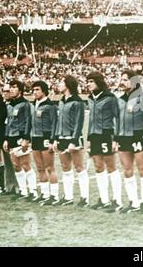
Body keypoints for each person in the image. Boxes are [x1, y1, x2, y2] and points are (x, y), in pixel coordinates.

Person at [115, 70, 143, 214]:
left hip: (137, 136)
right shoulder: (119, 99)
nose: (122, 82)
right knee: (127, 170)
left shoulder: (142, 98)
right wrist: (116, 139)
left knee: (142, 169)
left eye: (125, 79)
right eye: (122, 79)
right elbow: (117, 121)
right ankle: (134, 202)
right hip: (123, 138)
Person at [86, 71, 123, 212]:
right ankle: (104, 199)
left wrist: (116, 139)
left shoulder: (110, 98)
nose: (88, 84)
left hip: (106, 135)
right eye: (87, 81)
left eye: (91, 81)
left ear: (98, 82)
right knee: (98, 168)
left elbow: (118, 118)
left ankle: (117, 201)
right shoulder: (90, 98)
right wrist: (89, 138)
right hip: (94, 136)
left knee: (111, 167)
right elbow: (90, 120)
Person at [53, 75, 88, 207]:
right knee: (66, 168)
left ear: (67, 85)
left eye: (61, 82)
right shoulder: (61, 101)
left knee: (79, 167)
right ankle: (68, 197)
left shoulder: (77, 102)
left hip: (73, 138)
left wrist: (74, 140)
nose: (59, 84)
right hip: (62, 138)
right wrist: (56, 138)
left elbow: (79, 123)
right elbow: (58, 121)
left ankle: (85, 198)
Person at [3, 80, 35, 200]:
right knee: (16, 165)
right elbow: (8, 123)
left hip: (20, 138)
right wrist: (6, 139)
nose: (11, 89)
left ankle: (33, 191)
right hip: (11, 137)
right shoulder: (10, 105)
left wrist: (26, 138)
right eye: (10, 87)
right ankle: (23, 191)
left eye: (14, 87)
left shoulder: (25, 104)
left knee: (25, 164)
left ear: (20, 90)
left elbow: (28, 122)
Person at [30, 80, 59, 205]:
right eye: (34, 90)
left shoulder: (50, 105)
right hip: (35, 138)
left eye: (37, 90)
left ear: (44, 91)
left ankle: (55, 195)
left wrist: (53, 140)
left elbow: (54, 123)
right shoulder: (35, 104)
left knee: (49, 167)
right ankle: (45, 194)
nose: (34, 92)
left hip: (46, 138)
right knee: (40, 168)